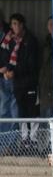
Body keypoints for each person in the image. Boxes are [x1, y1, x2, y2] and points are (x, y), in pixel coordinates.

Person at [3, 13, 39, 150]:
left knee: (32, 111)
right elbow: (7, 58)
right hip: (17, 83)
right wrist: (7, 70)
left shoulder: (30, 40)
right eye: (12, 24)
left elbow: (30, 64)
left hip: (30, 82)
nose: (14, 27)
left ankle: (34, 141)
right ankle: (25, 141)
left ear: (22, 25)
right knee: (21, 111)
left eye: (16, 24)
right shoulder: (10, 40)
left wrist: (14, 71)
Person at [0, 10, 18, 154]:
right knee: (3, 110)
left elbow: (16, 55)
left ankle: (9, 146)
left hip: (10, 77)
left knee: (12, 111)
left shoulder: (9, 33)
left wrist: (9, 69)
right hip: (1, 75)